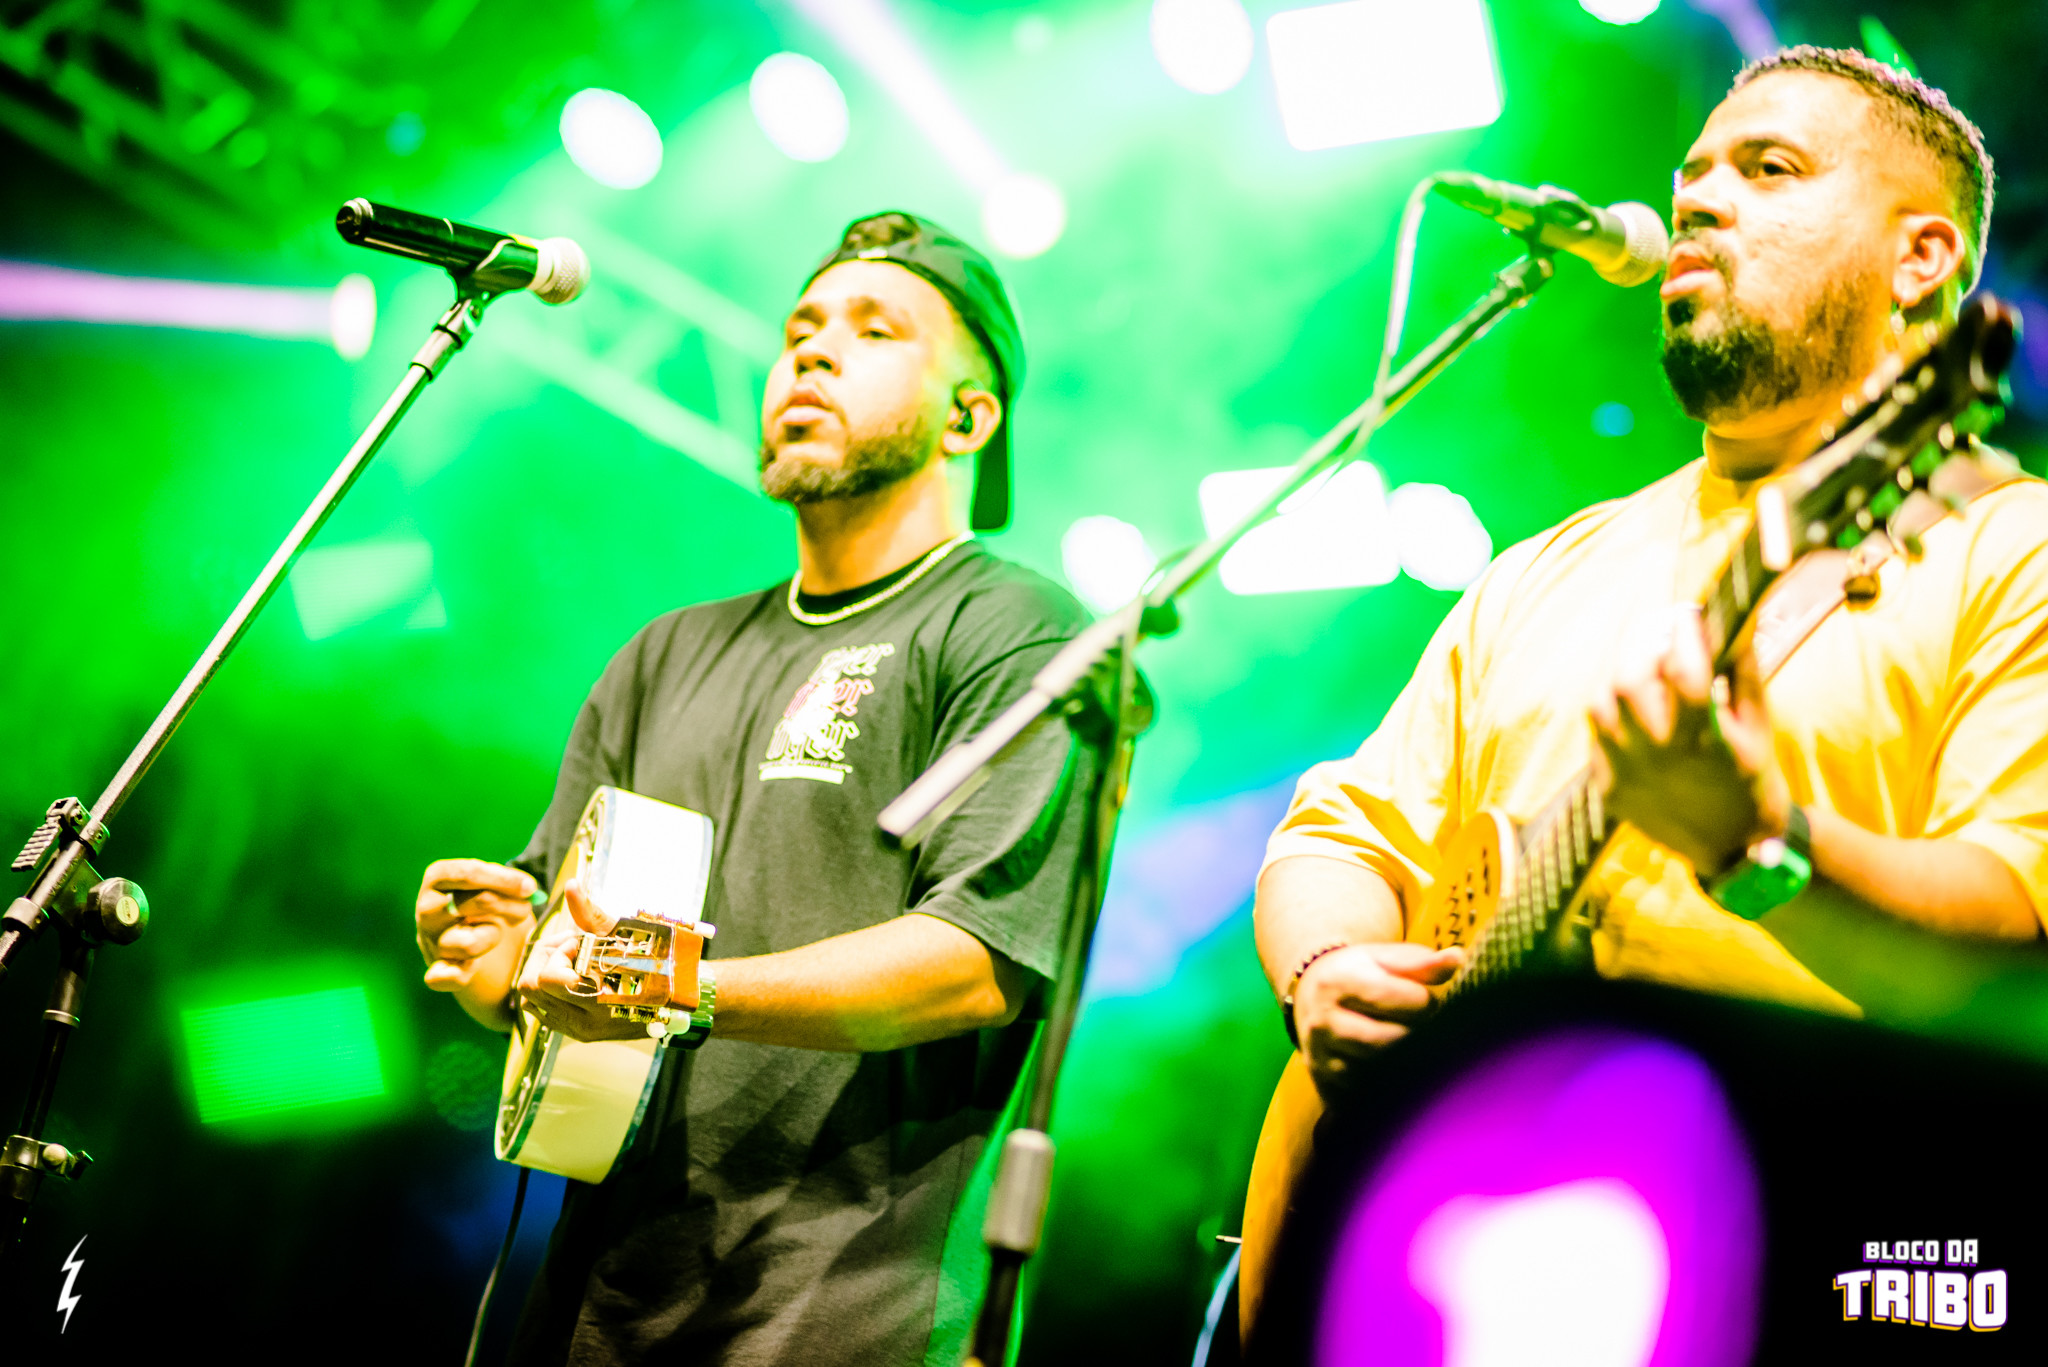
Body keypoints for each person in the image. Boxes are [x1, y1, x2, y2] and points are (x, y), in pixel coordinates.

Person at [1256, 47, 2047, 1091]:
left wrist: (1755, 844)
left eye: (1768, 169)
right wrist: (1324, 968)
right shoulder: (1541, 568)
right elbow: (1341, 833)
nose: (1696, 202)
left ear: (1921, 257)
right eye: (1691, 177)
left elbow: (2016, 953)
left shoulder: (2016, 550)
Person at [410, 211, 1092, 1366]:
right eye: (798, 329)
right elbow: (558, 965)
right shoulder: (663, 652)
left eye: (874, 330)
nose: (812, 351)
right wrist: (497, 964)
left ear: (968, 417)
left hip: (843, 1318)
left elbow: (975, 962)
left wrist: (675, 983)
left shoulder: (1014, 626)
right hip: (593, 1309)